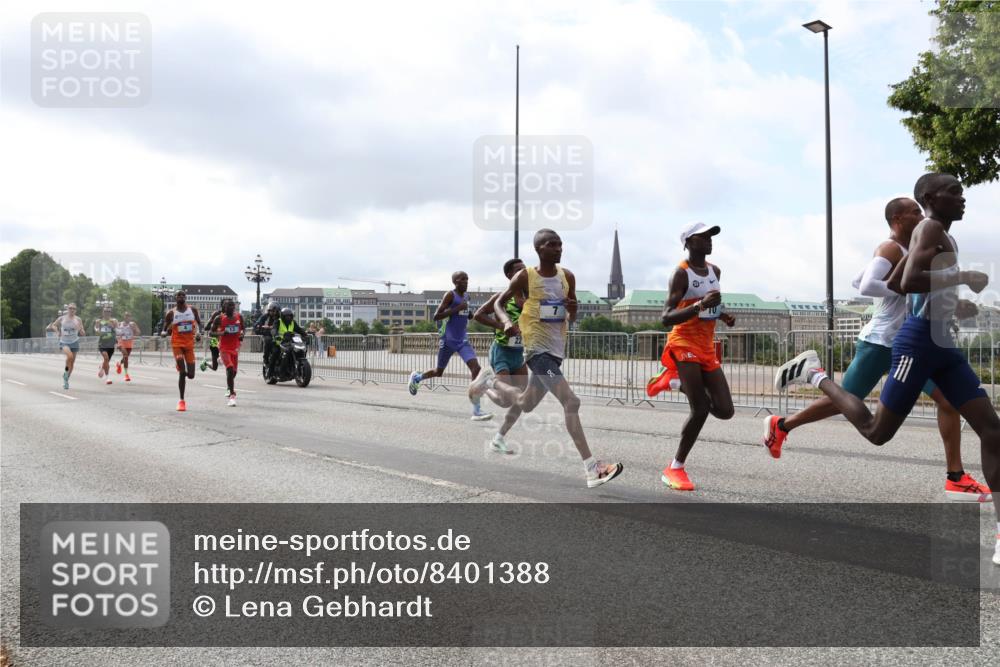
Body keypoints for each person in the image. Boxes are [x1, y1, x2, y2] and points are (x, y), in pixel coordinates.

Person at [774, 173, 1000, 565]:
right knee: (877, 432)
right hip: (918, 344)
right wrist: (962, 277)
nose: (963, 199)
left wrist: (954, 304)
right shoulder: (929, 227)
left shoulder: (941, 234)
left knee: (992, 430)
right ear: (931, 197)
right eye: (955, 192)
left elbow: (898, 282)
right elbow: (910, 279)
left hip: (942, 343)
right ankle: (815, 373)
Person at [469, 229, 624, 488]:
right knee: (571, 402)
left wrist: (573, 310)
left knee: (524, 403)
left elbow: (570, 316)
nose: (558, 248)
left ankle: (489, 383)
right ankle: (592, 468)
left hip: (556, 350)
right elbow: (498, 303)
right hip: (537, 352)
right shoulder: (526, 276)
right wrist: (506, 322)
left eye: (560, 244)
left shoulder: (568, 277)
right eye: (552, 244)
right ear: (539, 249)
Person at [649, 222, 736, 492]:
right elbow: (666, 317)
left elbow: (711, 304)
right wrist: (699, 306)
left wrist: (722, 314)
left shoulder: (714, 271)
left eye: (711, 237)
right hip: (683, 341)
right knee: (699, 409)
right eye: (702, 237)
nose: (709, 241)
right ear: (687, 242)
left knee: (725, 410)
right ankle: (675, 468)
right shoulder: (681, 274)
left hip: (706, 346)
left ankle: (674, 382)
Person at [408, 271, 493, 421]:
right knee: (439, 371)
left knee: (476, 369)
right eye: (462, 279)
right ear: (455, 282)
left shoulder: (467, 297)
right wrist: (457, 309)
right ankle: (417, 377)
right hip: (448, 339)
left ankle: (477, 409)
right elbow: (437, 316)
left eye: (467, 279)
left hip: (462, 340)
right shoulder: (450, 295)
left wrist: (478, 313)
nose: (466, 282)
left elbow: (468, 314)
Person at [473, 258, 529, 453]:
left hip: (519, 353)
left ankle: (499, 438)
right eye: (518, 270)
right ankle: (486, 384)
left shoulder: (532, 297)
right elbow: (478, 314)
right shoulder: (502, 297)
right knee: (505, 400)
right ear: (509, 276)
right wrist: (502, 325)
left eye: (525, 269)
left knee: (522, 399)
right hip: (502, 352)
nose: (524, 273)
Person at [160, 290, 203, 412]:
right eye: (179, 295)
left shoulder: (192, 310)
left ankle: (181, 367)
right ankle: (181, 400)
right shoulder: (171, 313)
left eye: (183, 295)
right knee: (182, 372)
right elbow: (165, 324)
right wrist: (164, 332)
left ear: (186, 297)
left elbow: (199, 323)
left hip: (189, 345)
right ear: (175, 298)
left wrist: (199, 333)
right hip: (177, 344)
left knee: (191, 375)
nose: (181, 297)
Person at [211, 298, 245, 406]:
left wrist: (242, 334)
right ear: (224, 308)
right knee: (230, 369)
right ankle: (232, 396)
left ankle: (229, 387)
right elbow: (211, 333)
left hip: (235, 348)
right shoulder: (219, 318)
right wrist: (221, 334)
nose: (230, 307)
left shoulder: (239, 317)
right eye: (228, 305)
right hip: (224, 348)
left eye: (232, 305)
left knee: (234, 373)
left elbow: (243, 329)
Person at [47, 303, 83, 390]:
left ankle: (66, 379)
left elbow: (82, 330)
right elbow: (53, 325)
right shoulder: (62, 318)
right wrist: (57, 331)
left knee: (72, 363)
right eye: (70, 308)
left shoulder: (78, 319)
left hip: (74, 341)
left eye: (74, 308)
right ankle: (66, 373)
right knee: (69, 356)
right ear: (67, 309)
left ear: (75, 310)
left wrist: (81, 331)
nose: (72, 310)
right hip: (64, 342)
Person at [266, 307, 307, 383]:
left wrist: (305, 334)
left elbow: (299, 329)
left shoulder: (293, 323)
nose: (288, 317)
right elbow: (274, 329)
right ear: (282, 316)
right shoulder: (278, 322)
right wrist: (275, 335)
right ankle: (270, 373)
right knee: (275, 353)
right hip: (279, 343)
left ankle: (295, 367)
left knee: (300, 349)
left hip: (289, 343)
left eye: (290, 316)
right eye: (286, 316)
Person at [254, 302, 280, 380]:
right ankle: (266, 360)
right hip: (268, 335)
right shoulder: (264, 317)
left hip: (279, 337)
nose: (274, 312)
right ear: (269, 310)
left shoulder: (280, 317)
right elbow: (257, 326)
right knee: (268, 340)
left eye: (276, 310)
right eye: (273, 310)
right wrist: (262, 328)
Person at [94, 307, 119, 385]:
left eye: (109, 311)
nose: (107, 313)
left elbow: (118, 330)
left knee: (106, 361)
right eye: (105, 311)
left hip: (111, 344)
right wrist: (97, 329)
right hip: (102, 343)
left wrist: (114, 326)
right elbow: (96, 330)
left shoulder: (114, 321)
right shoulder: (99, 321)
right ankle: (107, 378)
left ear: (111, 313)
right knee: (106, 358)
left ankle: (102, 367)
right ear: (102, 312)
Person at [115, 311, 141, 382]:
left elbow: (138, 332)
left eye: (129, 316)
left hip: (129, 343)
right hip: (121, 343)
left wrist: (134, 330)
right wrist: (117, 342)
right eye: (126, 316)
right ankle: (126, 375)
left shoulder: (133, 324)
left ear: (131, 317)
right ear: (124, 316)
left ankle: (119, 364)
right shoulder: (120, 324)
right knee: (126, 356)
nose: (127, 317)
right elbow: (116, 333)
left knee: (125, 357)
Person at [201, 299, 225, 372]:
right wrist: (213, 325)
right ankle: (205, 363)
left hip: (226, 342)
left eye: (230, 305)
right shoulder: (216, 314)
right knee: (215, 367)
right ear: (222, 306)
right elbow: (206, 327)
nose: (228, 307)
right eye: (226, 304)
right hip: (215, 340)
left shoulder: (232, 316)